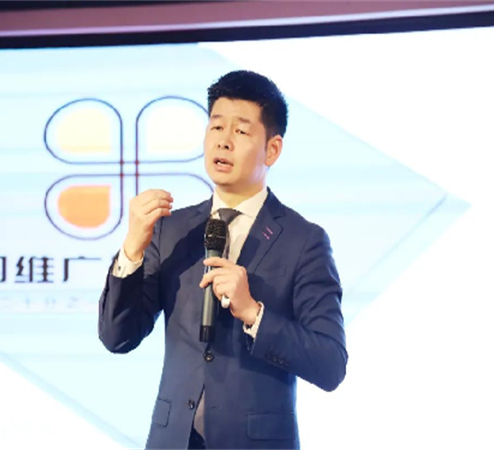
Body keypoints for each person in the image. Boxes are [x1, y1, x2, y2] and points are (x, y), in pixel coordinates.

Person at [98, 70, 347, 450]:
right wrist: (132, 249)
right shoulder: (171, 230)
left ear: (272, 150)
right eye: (216, 127)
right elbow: (117, 337)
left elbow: (330, 364)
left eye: (241, 131)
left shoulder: (304, 241)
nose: (224, 141)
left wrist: (254, 313)